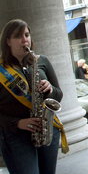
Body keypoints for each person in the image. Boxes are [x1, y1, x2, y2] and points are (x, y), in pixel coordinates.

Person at [0, 19, 68, 174]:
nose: (25, 40)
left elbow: (59, 95)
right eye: (18, 36)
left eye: (27, 34)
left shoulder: (41, 61)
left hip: (46, 130)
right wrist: (18, 123)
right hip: (16, 136)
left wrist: (50, 89)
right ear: (8, 41)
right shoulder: (1, 70)